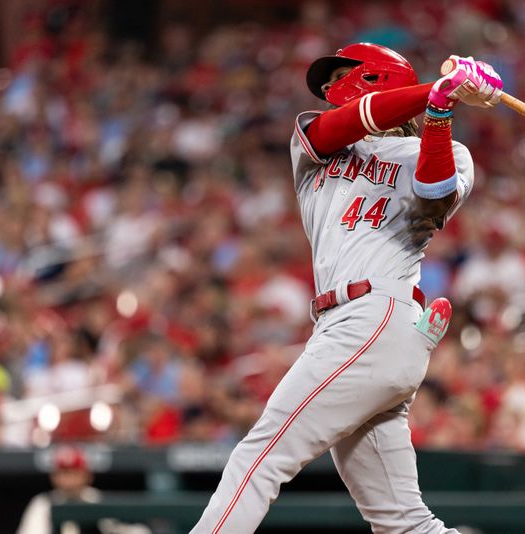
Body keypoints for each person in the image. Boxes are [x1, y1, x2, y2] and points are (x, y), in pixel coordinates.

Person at [191, 43, 502, 533]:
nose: (330, 87)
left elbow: (435, 194)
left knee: (260, 458)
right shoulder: (313, 142)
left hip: (374, 314)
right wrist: (436, 92)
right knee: (404, 523)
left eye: (341, 74)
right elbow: (346, 123)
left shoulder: (445, 151)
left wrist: (440, 111)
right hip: (353, 329)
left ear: (375, 77)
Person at [16, 445, 102, 534]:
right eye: (64, 473)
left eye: (74, 473)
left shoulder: (98, 500)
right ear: (53, 476)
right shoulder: (44, 502)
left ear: (88, 475)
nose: (69, 480)